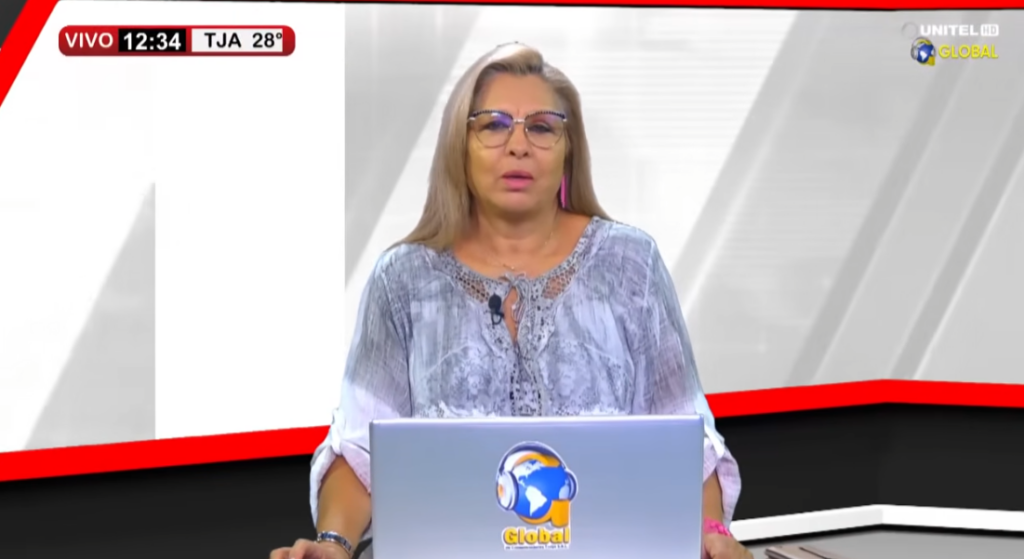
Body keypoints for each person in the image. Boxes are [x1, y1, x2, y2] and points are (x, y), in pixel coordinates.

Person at [270, 42, 750, 559]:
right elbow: (359, 449)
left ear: (568, 149)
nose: (518, 145)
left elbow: (688, 446)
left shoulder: (631, 263)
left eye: (541, 127)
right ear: (460, 146)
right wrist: (334, 544)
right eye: (493, 125)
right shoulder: (403, 279)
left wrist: (712, 536)